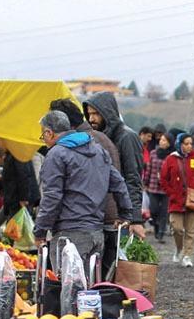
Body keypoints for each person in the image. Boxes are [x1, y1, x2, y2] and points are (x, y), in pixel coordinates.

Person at [33, 110, 136, 274]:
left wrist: (40, 231)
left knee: (68, 289)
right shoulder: (98, 150)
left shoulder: (56, 154)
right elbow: (118, 183)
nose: (44, 140)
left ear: (49, 132)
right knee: (89, 290)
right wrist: (125, 214)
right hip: (96, 232)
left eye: (43, 136)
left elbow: (52, 198)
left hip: (69, 234)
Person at [84, 92, 146, 271]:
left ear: (108, 112)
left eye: (96, 113)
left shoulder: (126, 137)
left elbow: (133, 179)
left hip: (120, 214)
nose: (92, 118)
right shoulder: (98, 137)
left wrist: (135, 219)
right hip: (101, 212)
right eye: (89, 114)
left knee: (117, 265)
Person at [160, 132, 194, 267]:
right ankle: (179, 248)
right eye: (186, 143)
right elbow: (163, 180)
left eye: (191, 143)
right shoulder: (170, 159)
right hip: (176, 201)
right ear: (179, 144)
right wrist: (171, 193)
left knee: (191, 231)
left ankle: (187, 256)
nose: (189, 146)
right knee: (176, 228)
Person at [0, 147, 41, 233]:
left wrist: (24, 198)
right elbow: (10, 179)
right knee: (15, 230)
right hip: (15, 200)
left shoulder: (18, 154)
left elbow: (23, 176)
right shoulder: (12, 155)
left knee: (19, 231)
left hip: (19, 201)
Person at [144, 131, 171, 243]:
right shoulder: (153, 153)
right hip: (153, 186)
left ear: (169, 143)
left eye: (164, 140)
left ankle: (161, 233)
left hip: (166, 188)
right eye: (161, 140)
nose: (161, 142)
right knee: (154, 210)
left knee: (164, 212)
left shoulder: (171, 156)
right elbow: (149, 169)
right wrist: (145, 182)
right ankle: (156, 226)